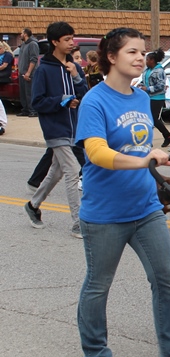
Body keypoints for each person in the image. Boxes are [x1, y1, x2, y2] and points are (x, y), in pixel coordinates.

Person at [75, 27, 170, 357]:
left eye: (143, 52)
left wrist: (160, 159)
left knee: (165, 281)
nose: (141, 57)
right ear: (111, 57)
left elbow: (142, 146)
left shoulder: (141, 97)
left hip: (145, 208)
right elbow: (95, 153)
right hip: (105, 213)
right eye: (132, 52)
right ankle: (95, 350)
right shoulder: (95, 100)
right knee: (98, 284)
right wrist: (144, 161)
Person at [24, 21, 87, 238]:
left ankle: (33, 205)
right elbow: (37, 102)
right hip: (54, 128)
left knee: (57, 171)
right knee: (71, 170)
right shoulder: (43, 69)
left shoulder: (74, 66)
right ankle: (78, 223)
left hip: (74, 128)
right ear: (54, 42)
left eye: (72, 38)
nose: (72, 43)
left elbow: (85, 95)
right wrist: (61, 101)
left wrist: (77, 78)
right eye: (67, 39)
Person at [138, 48, 170, 148]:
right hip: (148, 97)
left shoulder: (159, 71)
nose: (146, 61)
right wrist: (140, 86)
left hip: (157, 98)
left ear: (152, 61)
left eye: (147, 60)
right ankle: (148, 139)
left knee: (153, 118)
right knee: (146, 118)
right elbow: (144, 82)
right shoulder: (147, 70)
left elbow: (161, 85)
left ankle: (167, 135)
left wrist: (148, 88)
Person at [17, 28, 39, 117]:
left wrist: (28, 72)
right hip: (22, 73)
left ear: (26, 34)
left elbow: (33, 59)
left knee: (30, 93)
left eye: (21, 33)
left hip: (30, 74)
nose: (20, 35)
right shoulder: (23, 45)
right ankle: (25, 109)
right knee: (23, 94)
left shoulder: (33, 44)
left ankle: (33, 110)